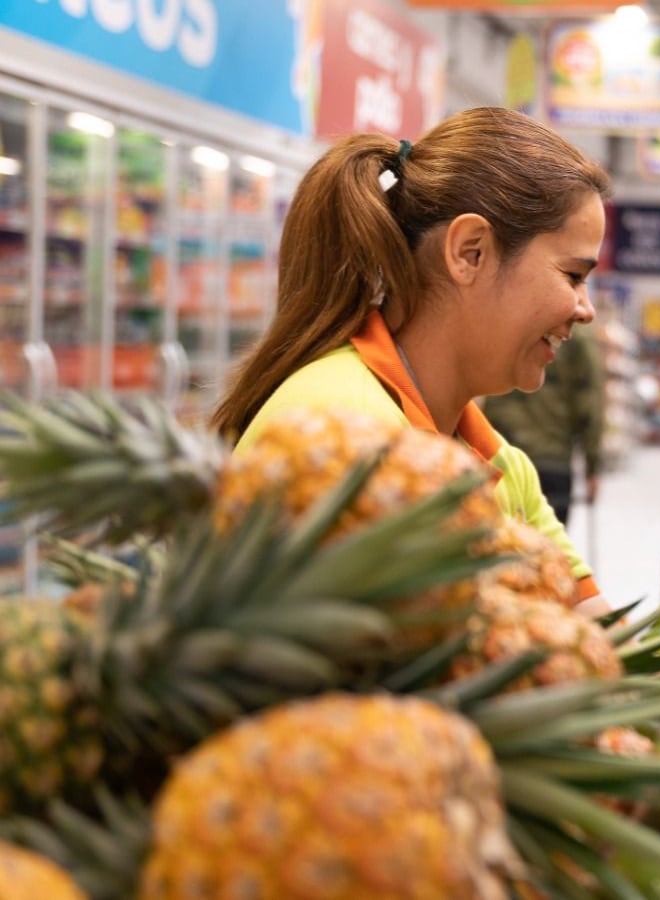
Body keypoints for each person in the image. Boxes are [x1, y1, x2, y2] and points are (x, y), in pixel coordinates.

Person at [210, 107, 610, 607]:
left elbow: (599, 636)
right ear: (470, 252)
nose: (586, 309)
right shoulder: (335, 436)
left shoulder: (503, 464)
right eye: (573, 275)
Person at [480, 324, 606, 525]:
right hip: (551, 457)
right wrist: (592, 467)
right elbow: (589, 403)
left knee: (501, 545)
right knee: (547, 549)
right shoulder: (576, 334)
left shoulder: (507, 318)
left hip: (502, 451)